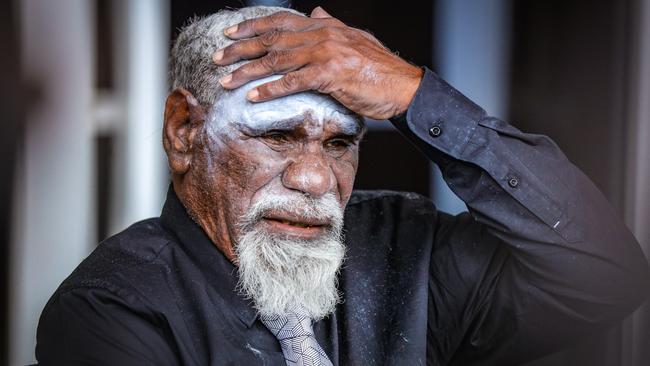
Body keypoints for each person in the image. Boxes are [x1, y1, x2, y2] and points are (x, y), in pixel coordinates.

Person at [36, 6, 649, 366]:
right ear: (184, 132)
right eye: (276, 137)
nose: (315, 179)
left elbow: (603, 274)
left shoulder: (408, 249)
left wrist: (414, 95)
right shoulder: (113, 309)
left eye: (339, 143)